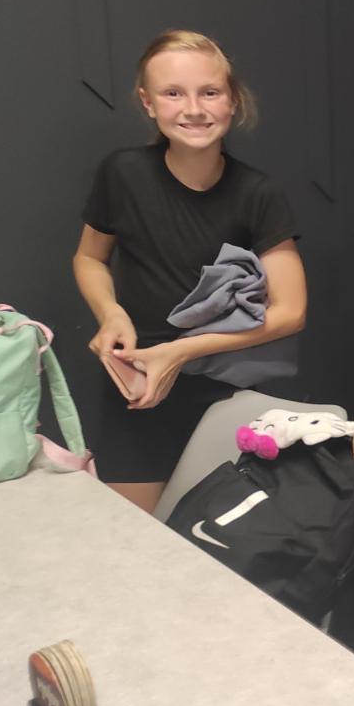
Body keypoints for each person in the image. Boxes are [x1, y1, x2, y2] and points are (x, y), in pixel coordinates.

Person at [73, 30, 306, 514]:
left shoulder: (258, 193)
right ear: (148, 102)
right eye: (173, 93)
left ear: (233, 100)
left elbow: (291, 312)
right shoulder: (122, 173)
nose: (194, 109)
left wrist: (179, 352)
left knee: (211, 534)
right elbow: (89, 258)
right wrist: (110, 313)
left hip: (221, 387)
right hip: (137, 383)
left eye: (210, 92)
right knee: (131, 534)